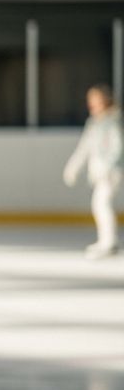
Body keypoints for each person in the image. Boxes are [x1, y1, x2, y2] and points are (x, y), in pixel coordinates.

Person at [63, 84, 123, 259]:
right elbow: (85, 148)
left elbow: (118, 147)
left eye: (95, 99)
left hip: (111, 172)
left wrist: (109, 167)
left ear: (104, 100)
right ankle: (107, 240)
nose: (91, 103)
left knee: (101, 203)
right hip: (99, 171)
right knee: (99, 204)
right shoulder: (94, 123)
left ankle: (109, 242)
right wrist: (73, 167)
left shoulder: (113, 121)